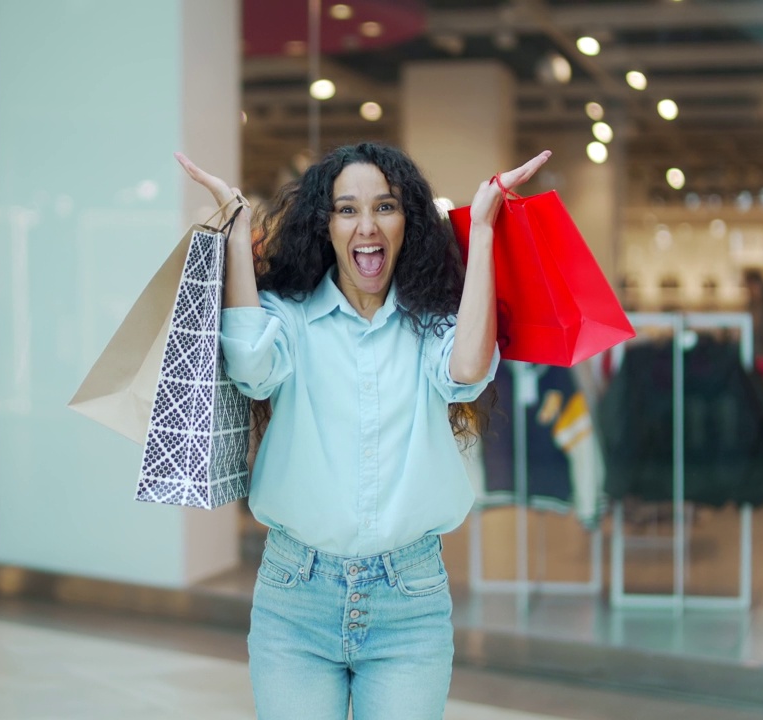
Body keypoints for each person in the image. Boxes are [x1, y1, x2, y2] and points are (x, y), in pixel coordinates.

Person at [176, 143, 550, 719]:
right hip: (295, 598)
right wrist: (237, 227)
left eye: (386, 207)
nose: (367, 226)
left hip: (410, 602)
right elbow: (250, 369)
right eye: (346, 210)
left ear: (409, 224)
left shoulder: (430, 323)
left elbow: (469, 371)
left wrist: (481, 230)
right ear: (324, 226)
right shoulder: (291, 315)